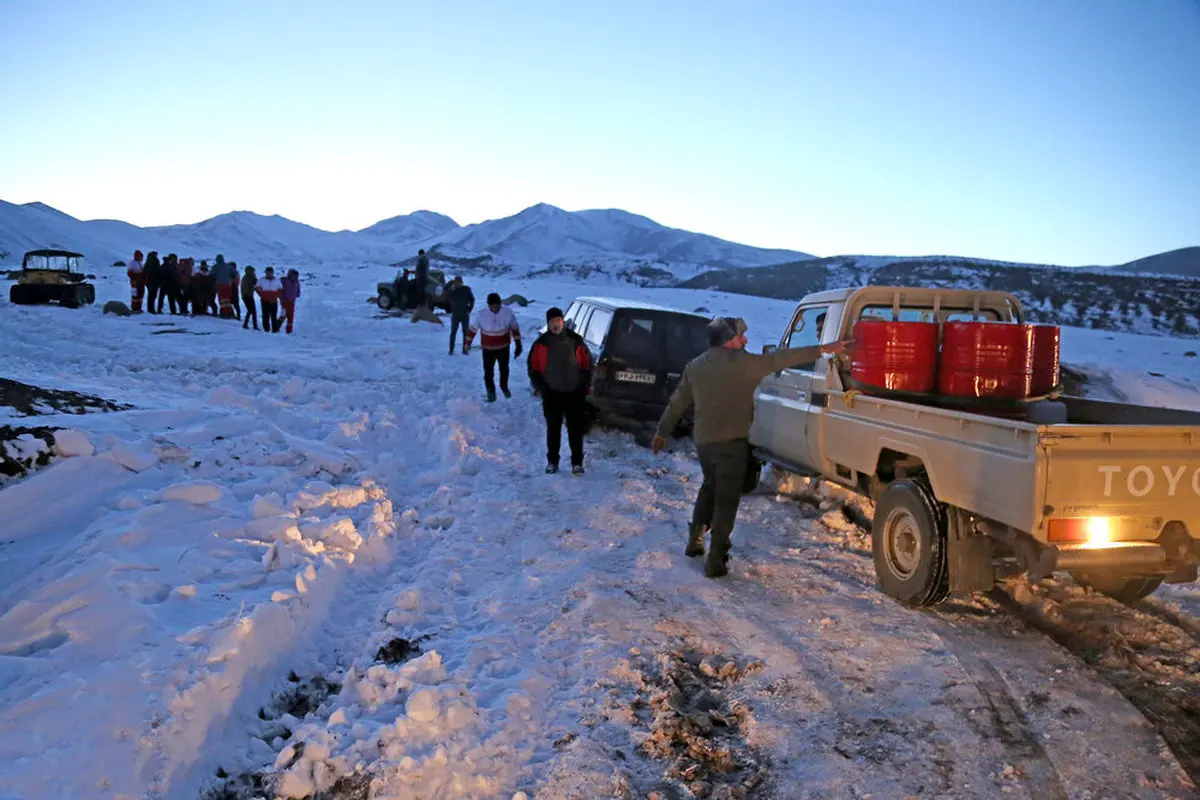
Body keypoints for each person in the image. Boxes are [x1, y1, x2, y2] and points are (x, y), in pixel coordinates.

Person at [652, 316, 849, 578]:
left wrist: (662, 432)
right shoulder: (746, 364)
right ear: (728, 340)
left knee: (710, 484)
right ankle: (716, 559)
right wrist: (823, 349)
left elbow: (677, 403)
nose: (745, 340)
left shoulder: (695, 366)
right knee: (727, 499)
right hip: (731, 443)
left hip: (704, 443)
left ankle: (696, 539)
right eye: (740, 336)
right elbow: (784, 358)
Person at [528, 307, 592, 475]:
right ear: (548, 323)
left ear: (563, 321)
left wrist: (583, 386)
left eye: (558, 320)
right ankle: (552, 462)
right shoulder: (541, 343)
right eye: (552, 321)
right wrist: (542, 387)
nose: (555, 324)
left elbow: (586, 365)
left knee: (575, 430)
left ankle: (577, 463)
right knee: (553, 429)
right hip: (552, 393)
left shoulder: (575, 340)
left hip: (574, 393)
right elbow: (533, 368)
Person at [463, 292, 522, 402]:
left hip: (503, 348)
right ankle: (491, 392)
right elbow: (472, 330)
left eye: (497, 306)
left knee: (504, 369)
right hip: (488, 349)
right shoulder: (481, 314)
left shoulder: (508, 313)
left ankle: (504, 386)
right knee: (488, 372)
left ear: (501, 304)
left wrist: (518, 344)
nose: (495, 309)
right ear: (488, 305)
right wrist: (467, 344)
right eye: (492, 307)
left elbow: (515, 328)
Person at [447, 275, 475, 354]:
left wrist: (469, 309)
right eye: (456, 282)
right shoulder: (452, 291)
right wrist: (450, 287)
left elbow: (472, 299)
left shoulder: (466, 289)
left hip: (465, 314)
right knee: (453, 332)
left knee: (465, 333)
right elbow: (447, 296)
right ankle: (451, 350)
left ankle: (465, 350)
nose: (458, 284)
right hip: (455, 314)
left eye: (459, 282)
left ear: (461, 282)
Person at [256, 266, 282, 333]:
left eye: (270, 272)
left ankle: (274, 329)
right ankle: (266, 329)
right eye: (267, 272)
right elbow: (257, 288)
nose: (268, 274)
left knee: (274, 316)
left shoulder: (277, 280)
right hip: (265, 301)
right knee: (265, 315)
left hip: (274, 301)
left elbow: (280, 289)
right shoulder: (261, 280)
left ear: (272, 273)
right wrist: (262, 295)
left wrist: (276, 295)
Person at [280, 268, 301, 333]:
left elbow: (298, 290)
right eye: (293, 275)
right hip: (284, 301)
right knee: (283, 315)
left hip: (292, 301)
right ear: (289, 275)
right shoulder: (284, 281)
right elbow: (281, 290)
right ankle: (276, 327)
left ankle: (289, 330)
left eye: (296, 276)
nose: (295, 277)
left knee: (291, 316)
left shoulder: (297, 282)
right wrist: (281, 298)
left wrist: (297, 294)